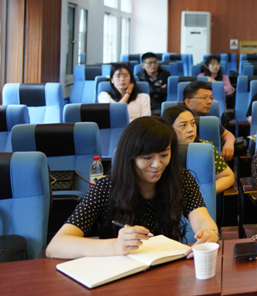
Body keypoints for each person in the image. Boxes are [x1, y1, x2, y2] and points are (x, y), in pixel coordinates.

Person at [45, 116, 219, 259]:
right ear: (130, 157)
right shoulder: (106, 188)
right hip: (118, 272)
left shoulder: (181, 179)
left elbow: (201, 218)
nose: (157, 164)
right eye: (147, 158)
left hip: (166, 268)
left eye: (164, 155)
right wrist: (116, 245)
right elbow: (56, 246)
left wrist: (210, 233)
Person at [161, 104, 234, 194]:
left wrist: (201, 194)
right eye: (183, 125)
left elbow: (228, 176)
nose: (190, 129)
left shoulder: (205, 148)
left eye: (193, 123)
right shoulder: (161, 150)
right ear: (169, 128)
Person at [183, 81, 235, 161]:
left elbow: (227, 134)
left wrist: (229, 143)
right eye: (204, 98)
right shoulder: (178, 119)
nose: (209, 102)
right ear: (188, 102)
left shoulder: (207, 118)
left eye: (211, 98)